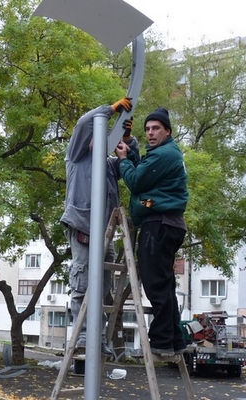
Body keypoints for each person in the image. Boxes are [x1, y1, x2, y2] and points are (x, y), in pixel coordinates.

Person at [60, 97, 139, 357]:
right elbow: (84, 124)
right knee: (83, 284)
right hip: (83, 227)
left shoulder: (108, 164)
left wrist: (127, 138)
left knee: (103, 289)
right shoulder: (77, 157)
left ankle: (97, 337)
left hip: (105, 233)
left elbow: (133, 162)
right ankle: (83, 337)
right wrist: (110, 110)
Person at [115, 107, 189, 357]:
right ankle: (175, 339)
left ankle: (161, 341)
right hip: (167, 224)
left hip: (158, 224)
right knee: (165, 284)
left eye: (156, 128)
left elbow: (135, 181)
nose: (150, 133)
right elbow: (143, 173)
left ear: (167, 131)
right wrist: (130, 151)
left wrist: (124, 160)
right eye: (147, 129)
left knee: (156, 284)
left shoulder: (165, 154)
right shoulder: (161, 155)